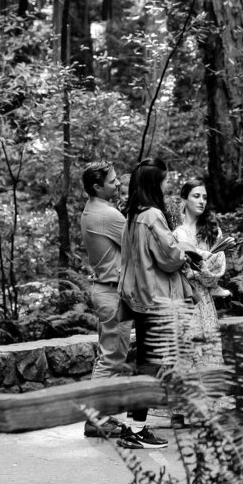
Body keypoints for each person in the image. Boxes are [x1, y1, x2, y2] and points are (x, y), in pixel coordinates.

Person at [115, 160, 195, 448]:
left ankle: (134, 426)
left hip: (139, 296)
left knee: (145, 362)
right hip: (156, 297)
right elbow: (169, 257)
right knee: (150, 365)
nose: (167, 185)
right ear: (154, 184)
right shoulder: (152, 216)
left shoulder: (132, 215)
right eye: (164, 181)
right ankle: (135, 430)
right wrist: (184, 252)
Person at [79, 163, 132, 378]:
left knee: (107, 357)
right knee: (112, 360)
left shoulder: (91, 209)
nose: (118, 183)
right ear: (97, 187)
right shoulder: (107, 215)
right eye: (112, 181)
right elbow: (139, 245)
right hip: (112, 294)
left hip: (105, 290)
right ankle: (95, 411)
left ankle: (99, 410)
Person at [174, 176, 228, 372]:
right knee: (188, 355)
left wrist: (198, 272)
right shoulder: (175, 233)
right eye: (196, 196)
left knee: (209, 355)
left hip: (204, 299)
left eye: (204, 197)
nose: (201, 201)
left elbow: (217, 272)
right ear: (184, 199)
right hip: (184, 298)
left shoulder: (213, 232)